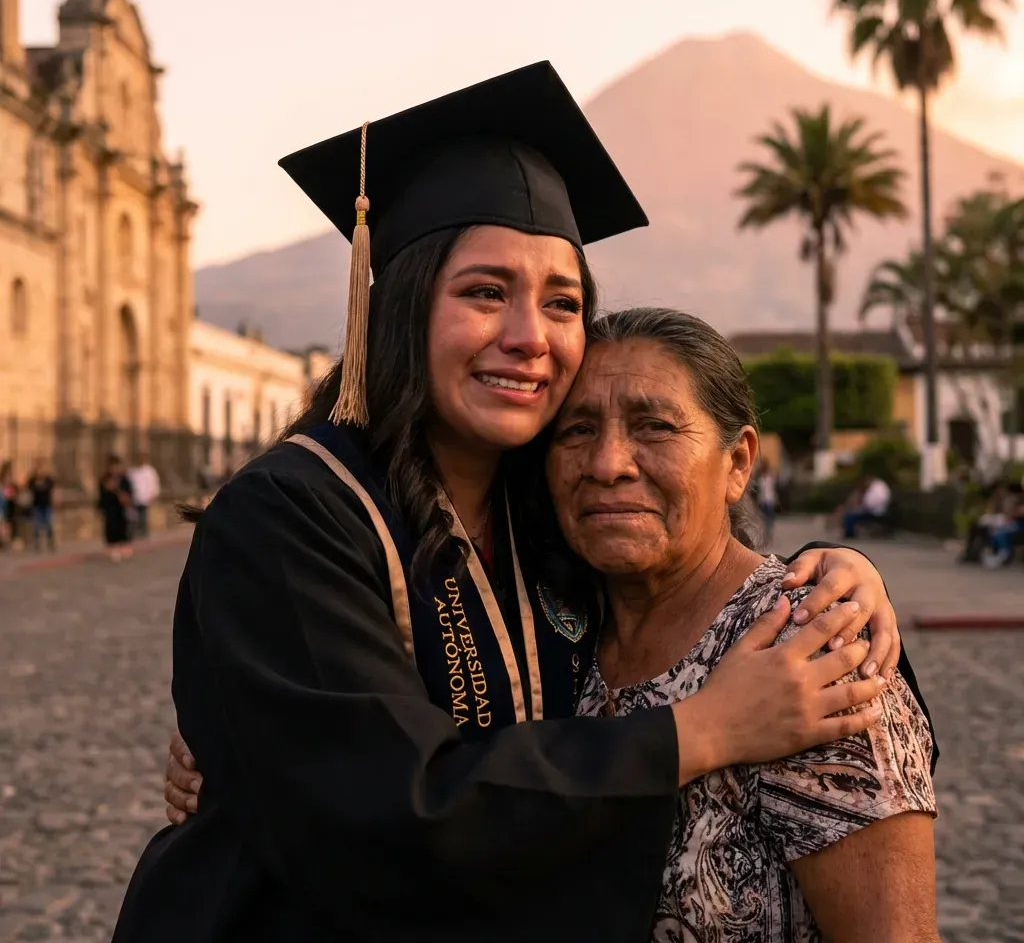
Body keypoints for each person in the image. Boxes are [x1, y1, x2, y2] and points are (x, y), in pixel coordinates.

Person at [118, 63, 925, 943]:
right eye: (484, 292)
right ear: (401, 304)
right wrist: (702, 729)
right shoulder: (287, 517)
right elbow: (388, 816)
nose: (528, 338)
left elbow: (686, 569)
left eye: (562, 301)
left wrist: (839, 577)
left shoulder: (542, 513)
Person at [551, 309, 938, 941]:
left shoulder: (811, 647)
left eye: (655, 427)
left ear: (737, 464)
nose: (609, 462)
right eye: (576, 430)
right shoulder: (555, 634)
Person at [97, 455, 134, 562]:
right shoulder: (104, 479)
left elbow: (129, 491)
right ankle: (112, 547)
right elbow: (101, 495)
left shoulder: (123, 478)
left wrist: (124, 495)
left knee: (122, 525)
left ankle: (123, 545)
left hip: (121, 507)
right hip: (110, 507)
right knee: (111, 526)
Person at [842, 473, 892, 539]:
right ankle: (849, 532)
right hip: (872, 510)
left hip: (875, 512)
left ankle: (850, 534)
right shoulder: (875, 486)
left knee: (850, 516)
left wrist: (865, 506)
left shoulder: (878, 487)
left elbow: (875, 501)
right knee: (850, 514)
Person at [127, 453, 161, 538]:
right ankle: (135, 531)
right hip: (135, 497)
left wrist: (154, 494)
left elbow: (154, 483)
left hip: (145, 496)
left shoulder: (149, 471)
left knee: (143, 515)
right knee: (134, 516)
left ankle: (143, 531)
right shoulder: (132, 471)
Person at [27, 460, 57, 551]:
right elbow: (26, 489)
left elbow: (53, 491)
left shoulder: (48, 480)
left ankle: (50, 542)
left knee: (48, 524)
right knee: (37, 525)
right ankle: (37, 543)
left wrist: (55, 500)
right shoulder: (32, 480)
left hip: (47, 505)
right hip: (37, 505)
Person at [755, 457, 778, 543]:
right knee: (763, 519)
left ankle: (769, 534)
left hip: (769, 500)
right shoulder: (760, 477)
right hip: (762, 500)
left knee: (770, 519)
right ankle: (766, 534)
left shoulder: (770, 476)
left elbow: (776, 476)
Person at [0, 460, 20, 550]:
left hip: (8, 507)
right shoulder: (3, 485)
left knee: (7, 525)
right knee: (3, 525)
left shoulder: (11, 485)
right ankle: (4, 541)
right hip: (2, 507)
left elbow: (13, 495)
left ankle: (5, 541)